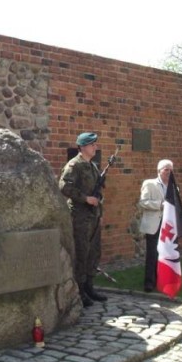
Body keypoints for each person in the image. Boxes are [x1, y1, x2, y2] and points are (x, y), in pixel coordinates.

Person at [59, 132, 107, 307]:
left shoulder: (92, 166)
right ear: (83, 146)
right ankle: (79, 291)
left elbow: (97, 192)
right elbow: (64, 187)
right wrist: (85, 199)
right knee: (81, 253)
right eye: (92, 144)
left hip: (93, 216)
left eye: (95, 144)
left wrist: (98, 206)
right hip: (80, 216)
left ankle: (89, 287)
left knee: (93, 252)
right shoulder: (75, 165)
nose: (95, 147)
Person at [138, 159, 173, 292]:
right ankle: (149, 282)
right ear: (159, 170)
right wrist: (159, 205)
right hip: (154, 223)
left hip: (168, 224)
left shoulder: (173, 186)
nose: (169, 172)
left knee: (165, 253)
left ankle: (162, 280)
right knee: (152, 253)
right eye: (166, 169)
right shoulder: (150, 183)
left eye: (170, 170)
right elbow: (143, 202)